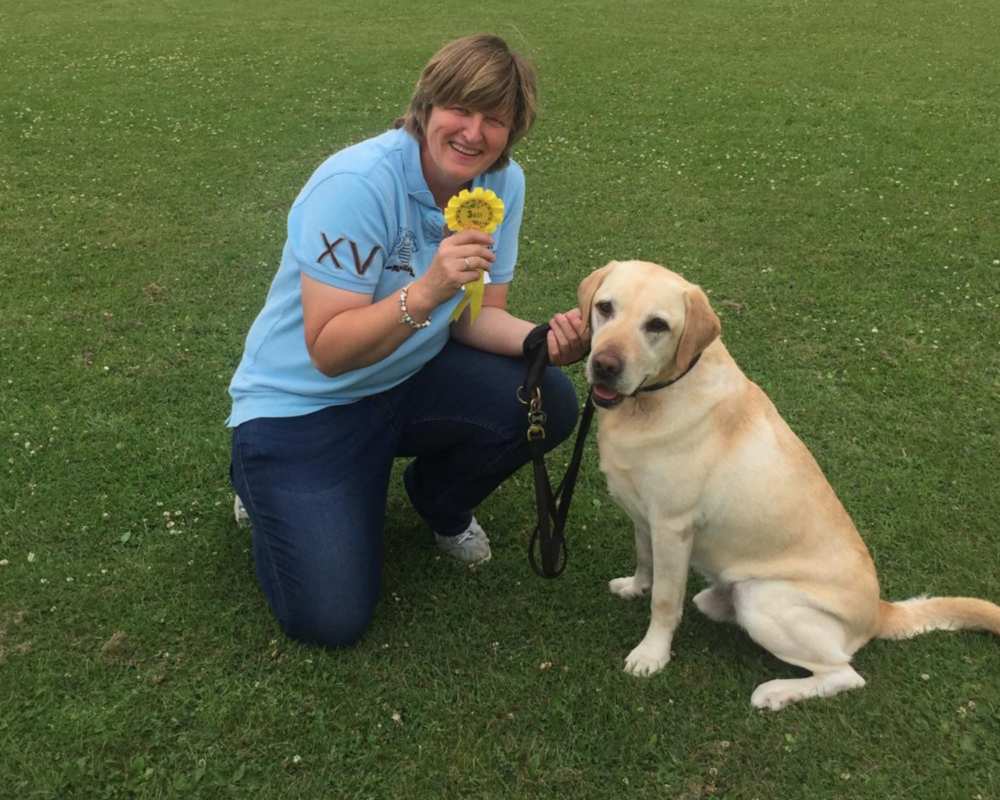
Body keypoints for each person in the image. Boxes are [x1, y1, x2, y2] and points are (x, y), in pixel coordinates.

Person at [227, 34, 588, 648]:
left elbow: (476, 316)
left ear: (513, 129)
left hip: (409, 377)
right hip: (302, 405)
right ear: (426, 106)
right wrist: (425, 291)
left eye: (494, 119)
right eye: (460, 110)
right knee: (330, 619)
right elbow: (329, 352)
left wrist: (542, 343)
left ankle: (437, 500)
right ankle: (259, 482)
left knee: (546, 397)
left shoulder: (502, 183)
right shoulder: (356, 183)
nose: (473, 133)